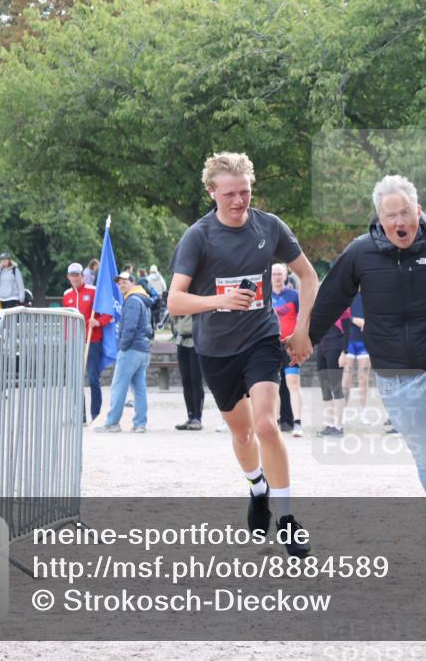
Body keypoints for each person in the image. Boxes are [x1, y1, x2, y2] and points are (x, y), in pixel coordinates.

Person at [310, 174, 426, 564]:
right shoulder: (360, 253)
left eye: (404, 212)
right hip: (395, 374)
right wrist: (305, 341)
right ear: (379, 218)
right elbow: (330, 299)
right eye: (389, 215)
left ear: (418, 211)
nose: (399, 221)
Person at [167, 151, 319, 558]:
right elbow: (175, 302)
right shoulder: (198, 237)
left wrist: (302, 329)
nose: (239, 201)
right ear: (213, 192)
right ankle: (258, 487)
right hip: (216, 350)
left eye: (245, 192)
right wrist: (219, 301)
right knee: (242, 433)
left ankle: (286, 519)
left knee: (268, 426)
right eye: (230, 193)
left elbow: (308, 275)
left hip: (262, 338)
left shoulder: (269, 227)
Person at [96, 271, 153, 433]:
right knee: (139, 388)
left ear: (133, 283)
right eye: (119, 282)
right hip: (143, 349)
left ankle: (112, 423)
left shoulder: (133, 301)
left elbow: (130, 327)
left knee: (119, 386)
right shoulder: (141, 298)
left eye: (125, 282)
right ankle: (140, 423)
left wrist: (123, 346)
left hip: (132, 349)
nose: (121, 284)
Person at [62, 262, 113, 424]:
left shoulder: (94, 291)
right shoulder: (67, 294)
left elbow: (109, 312)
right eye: (72, 275)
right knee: (75, 380)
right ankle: (80, 416)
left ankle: (96, 415)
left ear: (82, 276)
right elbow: (66, 320)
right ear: (68, 277)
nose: (75, 278)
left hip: (92, 340)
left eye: (77, 274)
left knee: (92, 378)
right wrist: (66, 340)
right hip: (73, 342)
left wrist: (98, 322)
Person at [271, 263, 303, 436]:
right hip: (271, 346)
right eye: (274, 274)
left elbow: (302, 320)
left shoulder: (294, 296)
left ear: (285, 276)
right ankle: (275, 422)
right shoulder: (265, 297)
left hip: (290, 346)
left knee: (293, 383)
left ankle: (297, 423)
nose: (276, 277)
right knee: (273, 385)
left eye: (279, 274)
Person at [314, 306, 351, 437]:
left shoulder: (343, 308)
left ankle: (339, 426)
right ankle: (329, 424)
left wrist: (344, 352)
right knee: (325, 388)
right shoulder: (319, 308)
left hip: (336, 348)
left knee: (336, 387)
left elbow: (348, 331)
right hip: (321, 349)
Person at [342, 292, 372, 425]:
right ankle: (342, 412)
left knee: (363, 379)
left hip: (364, 342)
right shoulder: (347, 294)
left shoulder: (371, 294)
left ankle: (363, 413)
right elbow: (340, 315)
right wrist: (354, 319)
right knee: (346, 378)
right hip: (348, 341)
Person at [172, 313, 204, 430]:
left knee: (196, 380)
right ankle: (190, 416)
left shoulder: (195, 297)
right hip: (181, 341)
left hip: (195, 341)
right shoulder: (178, 299)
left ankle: (197, 418)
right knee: (186, 381)